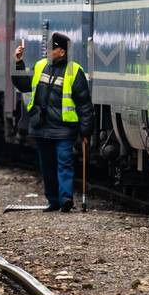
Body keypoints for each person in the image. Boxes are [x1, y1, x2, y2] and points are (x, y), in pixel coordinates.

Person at [12, 32, 94, 212]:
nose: (48, 51)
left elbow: (84, 104)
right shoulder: (41, 66)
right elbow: (24, 84)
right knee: (47, 166)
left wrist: (86, 131)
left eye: (52, 48)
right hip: (41, 127)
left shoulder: (74, 71)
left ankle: (66, 199)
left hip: (63, 128)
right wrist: (18, 63)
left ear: (62, 52)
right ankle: (53, 200)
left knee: (64, 164)